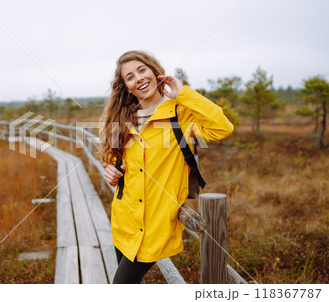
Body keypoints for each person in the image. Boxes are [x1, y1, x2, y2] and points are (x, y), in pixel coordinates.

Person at [99, 50, 234, 284]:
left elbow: (222, 128)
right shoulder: (123, 118)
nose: (138, 78)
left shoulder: (179, 113)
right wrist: (111, 171)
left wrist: (184, 94)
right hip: (124, 220)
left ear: (155, 72)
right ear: (126, 87)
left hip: (155, 224)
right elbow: (114, 159)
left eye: (142, 70)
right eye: (130, 77)